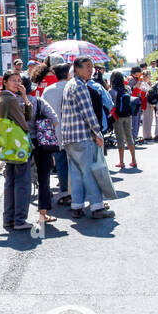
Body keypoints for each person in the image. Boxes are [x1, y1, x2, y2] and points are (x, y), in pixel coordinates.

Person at [59, 56, 112, 219]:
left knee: (76, 173)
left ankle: (77, 205)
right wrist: (98, 133)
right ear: (77, 69)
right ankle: (97, 207)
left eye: (92, 66)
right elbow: (88, 113)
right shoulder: (80, 86)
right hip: (82, 135)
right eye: (87, 66)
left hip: (69, 136)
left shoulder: (69, 85)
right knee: (89, 172)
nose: (91, 69)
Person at [0, 70, 34, 230]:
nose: (18, 83)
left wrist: (24, 98)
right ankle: (19, 219)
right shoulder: (10, 100)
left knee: (11, 182)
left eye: (19, 80)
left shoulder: (4, 98)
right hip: (18, 144)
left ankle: (9, 218)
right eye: (13, 80)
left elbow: (26, 116)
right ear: (5, 82)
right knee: (23, 182)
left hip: (8, 145)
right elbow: (25, 122)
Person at [41, 62, 72, 202]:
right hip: (74, 133)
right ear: (68, 74)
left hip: (55, 133)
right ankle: (76, 191)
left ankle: (65, 190)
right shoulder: (73, 87)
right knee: (75, 164)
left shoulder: (48, 90)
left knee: (60, 163)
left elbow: (43, 113)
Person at [29, 88, 59, 226]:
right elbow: (55, 119)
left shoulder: (10, 101)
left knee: (20, 180)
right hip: (41, 142)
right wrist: (43, 130)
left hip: (20, 143)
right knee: (44, 179)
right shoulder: (38, 101)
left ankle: (18, 215)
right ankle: (43, 214)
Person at [108, 70, 138, 170]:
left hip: (117, 116)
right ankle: (133, 160)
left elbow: (110, 104)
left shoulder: (111, 91)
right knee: (129, 137)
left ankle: (121, 161)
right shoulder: (127, 89)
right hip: (128, 115)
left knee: (120, 138)